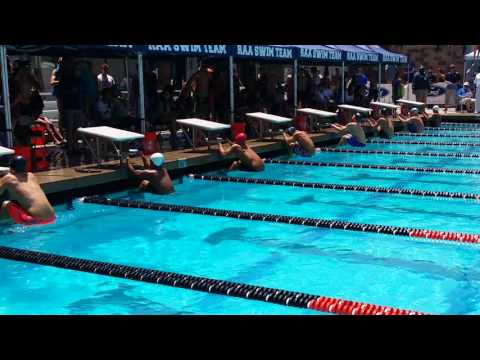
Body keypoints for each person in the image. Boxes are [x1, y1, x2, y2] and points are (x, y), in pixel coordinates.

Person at [0, 156, 56, 226]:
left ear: (11, 169)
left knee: (6, 205)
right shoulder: (31, 176)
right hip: (52, 218)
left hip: (36, 221)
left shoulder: (8, 178)